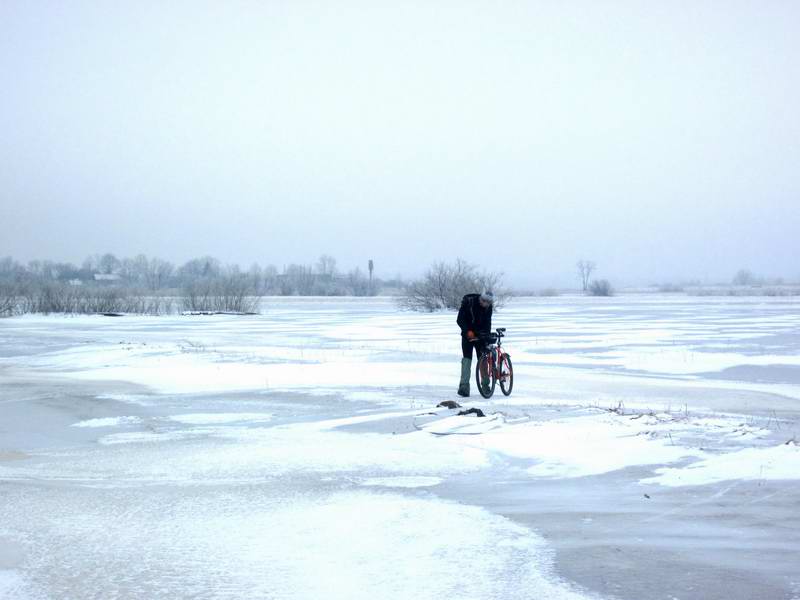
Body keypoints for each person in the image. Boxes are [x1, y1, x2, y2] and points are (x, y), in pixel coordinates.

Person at [456, 290, 494, 397]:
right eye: (483, 301)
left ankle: (485, 386)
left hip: (481, 336)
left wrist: (486, 336)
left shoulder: (488, 307)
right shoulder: (469, 303)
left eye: (487, 302)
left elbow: (488, 322)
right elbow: (460, 319)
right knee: (467, 360)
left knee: (483, 360)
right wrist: (467, 331)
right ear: (480, 298)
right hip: (467, 336)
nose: (484, 304)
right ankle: (464, 387)